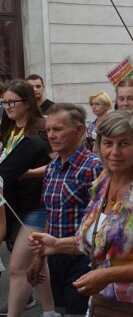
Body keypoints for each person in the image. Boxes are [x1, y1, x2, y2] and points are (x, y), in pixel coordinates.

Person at [29, 110, 133, 316]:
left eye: (124, 143)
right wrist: (57, 244)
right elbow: (99, 241)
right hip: (105, 302)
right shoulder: (105, 179)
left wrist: (108, 275)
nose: (114, 152)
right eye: (108, 143)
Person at [32, 103, 104, 316]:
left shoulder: (94, 167)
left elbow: (102, 220)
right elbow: (51, 215)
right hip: (55, 260)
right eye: (48, 130)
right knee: (60, 311)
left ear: (79, 130)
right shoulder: (52, 168)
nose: (51, 135)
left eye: (58, 129)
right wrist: (39, 258)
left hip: (82, 260)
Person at [0, 80, 55, 316]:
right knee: (37, 261)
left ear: (28, 103)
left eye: (12, 101)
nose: (7, 106)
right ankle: (51, 311)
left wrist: (26, 173)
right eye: (4, 102)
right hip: (14, 203)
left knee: (16, 267)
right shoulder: (7, 130)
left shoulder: (42, 128)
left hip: (38, 203)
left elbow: (57, 164)